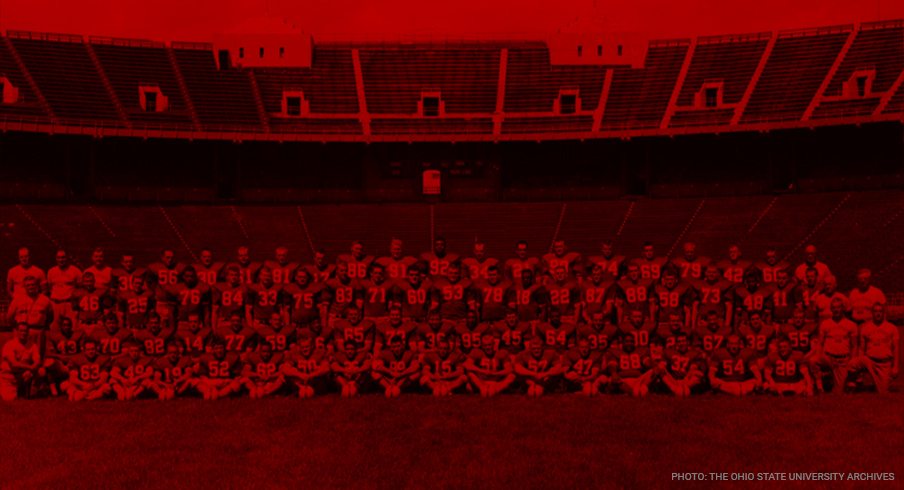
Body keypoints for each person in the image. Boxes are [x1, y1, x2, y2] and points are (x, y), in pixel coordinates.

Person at [811, 298, 859, 394]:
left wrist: (851, 362)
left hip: (843, 360)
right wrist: (817, 356)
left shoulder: (851, 325)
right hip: (828, 358)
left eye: (838, 307)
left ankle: (832, 380)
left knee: (838, 392)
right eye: (833, 308)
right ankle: (819, 387)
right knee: (813, 361)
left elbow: (854, 346)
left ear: (843, 308)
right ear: (831, 309)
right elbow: (820, 343)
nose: (836, 309)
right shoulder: (825, 324)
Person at [849, 304, 899, 394]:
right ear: (872, 313)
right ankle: (853, 385)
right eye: (876, 311)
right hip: (869, 360)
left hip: (884, 363)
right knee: (852, 363)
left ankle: (881, 383)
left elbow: (896, 348)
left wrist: (895, 367)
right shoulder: (865, 328)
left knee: (883, 392)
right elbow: (861, 349)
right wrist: (860, 368)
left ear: (884, 313)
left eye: (880, 311)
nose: (878, 313)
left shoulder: (892, 328)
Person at [6, 276, 54, 358]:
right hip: (22, 332)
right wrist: (18, 327)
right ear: (24, 287)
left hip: (38, 331)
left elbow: (50, 317)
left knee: (38, 355)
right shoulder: (17, 300)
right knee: (21, 355)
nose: (31, 287)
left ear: (37, 286)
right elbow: (9, 318)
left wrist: (41, 325)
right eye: (28, 285)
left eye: (33, 285)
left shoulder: (45, 299)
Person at [465, 332, 515, 397]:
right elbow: (466, 364)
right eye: (485, 345)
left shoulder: (501, 353)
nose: (488, 347)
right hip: (481, 382)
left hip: (497, 382)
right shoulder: (477, 352)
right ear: (482, 346)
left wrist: (496, 373)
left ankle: (496, 391)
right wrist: (481, 370)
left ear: (493, 345)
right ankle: (482, 389)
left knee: (512, 376)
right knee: (470, 374)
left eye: (489, 345)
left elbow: (509, 369)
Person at [0, 323, 42, 401]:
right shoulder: (10, 344)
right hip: (8, 377)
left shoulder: (32, 345)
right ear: (16, 331)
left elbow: (38, 360)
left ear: (28, 332)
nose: (23, 333)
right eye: (21, 331)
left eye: (25, 331)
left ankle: (30, 392)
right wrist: (31, 367)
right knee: (11, 399)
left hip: (22, 376)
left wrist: (34, 366)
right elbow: (14, 363)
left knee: (41, 371)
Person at [46, 249, 81, 331]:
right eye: (58, 258)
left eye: (63, 257)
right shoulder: (51, 271)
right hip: (56, 304)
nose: (61, 260)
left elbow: (80, 290)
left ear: (67, 258)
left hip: (69, 304)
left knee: (71, 329)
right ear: (56, 258)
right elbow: (50, 288)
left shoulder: (75, 271)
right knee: (55, 329)